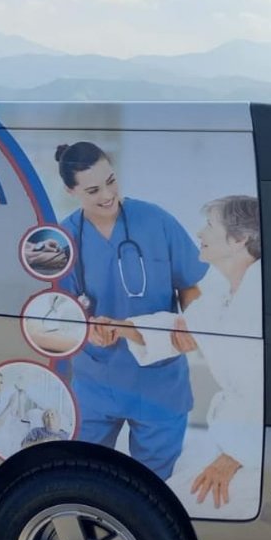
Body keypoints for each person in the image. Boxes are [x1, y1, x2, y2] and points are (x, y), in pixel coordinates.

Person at [55, 141, 207, 480]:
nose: (108, 195)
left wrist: (192, 322)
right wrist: (87, 330)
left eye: (111, 181)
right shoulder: (64, 239)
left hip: (159, 382)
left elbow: (190, 287)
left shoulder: (156, 221)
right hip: (95, 381)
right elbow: (60, 309)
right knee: (82, 478)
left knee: (151, 489)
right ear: (70, 191)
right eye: (93, 190)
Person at [115, 196, 264, 512]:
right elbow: (178, 330)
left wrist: (235, 456)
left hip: (255, 448)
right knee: (168, 495)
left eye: (210, 225)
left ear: (239, 239)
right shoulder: (225, 295)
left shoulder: (261, 301)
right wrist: (119, 328)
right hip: (233, 436)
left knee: (176, 505)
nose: (199, 233)